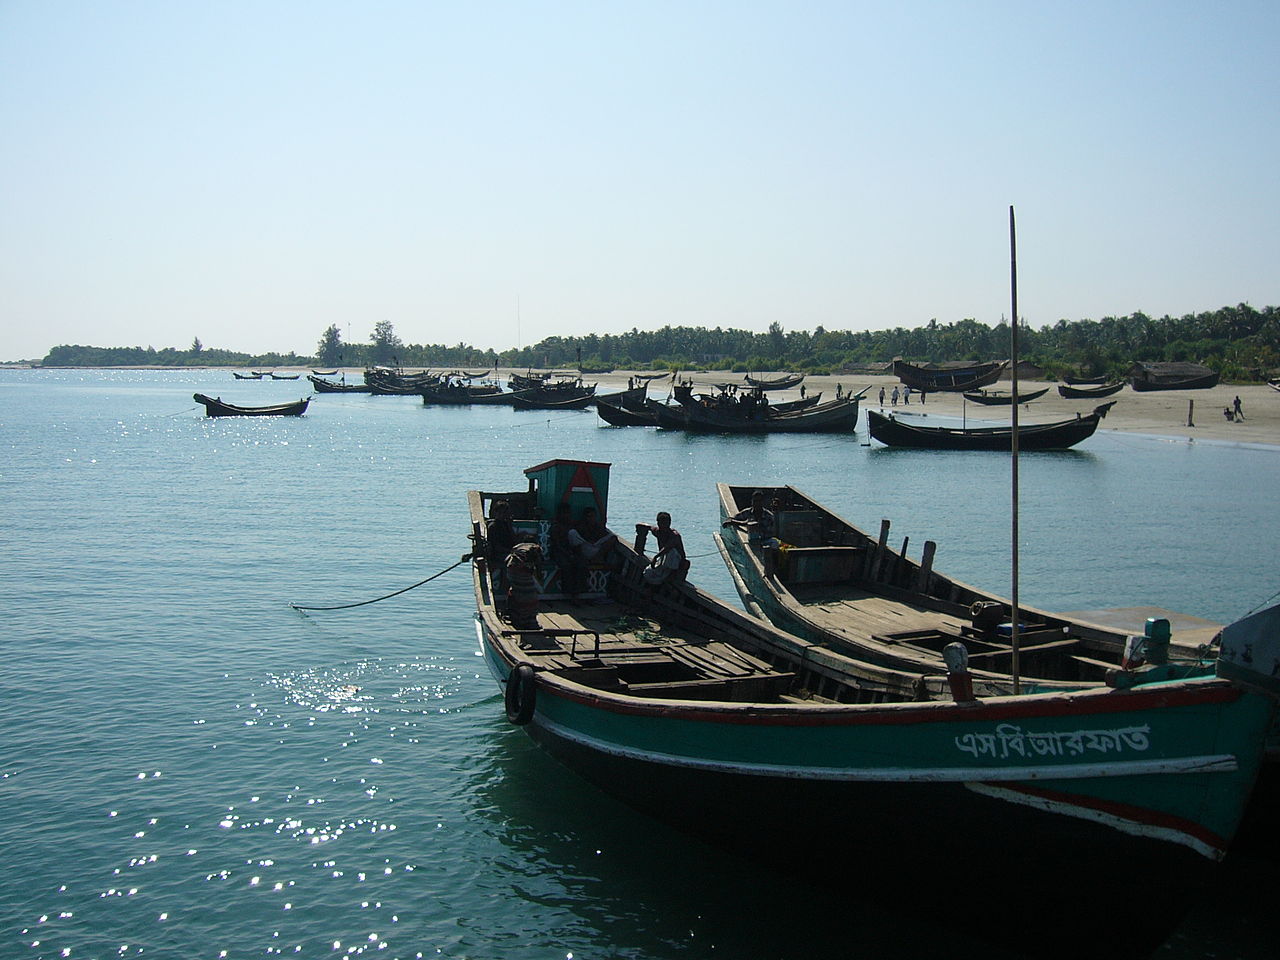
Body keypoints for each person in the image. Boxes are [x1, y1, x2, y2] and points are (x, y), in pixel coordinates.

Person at [638, 511, 686, 585]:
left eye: (666, 524)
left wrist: (656, 557)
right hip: (663, 560)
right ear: (658, 523)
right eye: (662, 524)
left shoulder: (674, 535)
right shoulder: (658, 531)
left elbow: (667, 548)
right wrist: (641, 527)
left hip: (676, 562)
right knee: (647, 573)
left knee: (671, 552)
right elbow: (647, 527)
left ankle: (670, 575)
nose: (664, 527)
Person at [548, 502, 584, 599]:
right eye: (564, 513)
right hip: (558, 551)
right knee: (566, 565)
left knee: (580, 563)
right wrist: (568, 554)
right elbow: (557, 544)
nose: (567, 515)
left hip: (568, 551)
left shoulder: (570, 525)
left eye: (568, 513)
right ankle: (567, 592)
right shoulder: (556, 526)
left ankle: (578, 591)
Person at [504, 539, 542, 629]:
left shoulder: (520, 547)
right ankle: (526, 620)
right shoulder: (534, 552)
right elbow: (538, 569)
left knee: (517, 591)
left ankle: (517, 617)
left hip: (512, 568)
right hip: (516, 569)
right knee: (528, 594)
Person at [486, 500, 518, 589]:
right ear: (496, 512)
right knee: (511, 562)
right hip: (499, 554)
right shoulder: (493, 526)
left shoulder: (506, 524)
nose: (503, 515)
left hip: (509, 551)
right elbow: (495, 546)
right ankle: (505, 588)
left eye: (505, 512)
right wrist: (510, 551)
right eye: (501, 512)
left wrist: (509, 526)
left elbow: (513, 541)